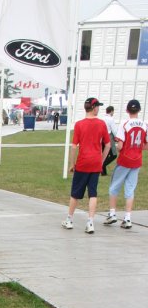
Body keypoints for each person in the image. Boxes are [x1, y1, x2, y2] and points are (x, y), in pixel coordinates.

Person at [62, 98, 109, 234]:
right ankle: (90, 222)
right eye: (97, 106)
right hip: (95, 162)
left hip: (83, 162)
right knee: (92, 193)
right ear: (93, 107)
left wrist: (72, 164)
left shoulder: (79, 125)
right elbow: (107, 145)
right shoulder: (101, 124)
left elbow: (74, 146)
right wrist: (101, 161)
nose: (98, 109)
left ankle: (70, 219)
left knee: (75, 193)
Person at [103, 99, 148, 229]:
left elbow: (121, 145)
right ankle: (128, 217)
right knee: (130, 188)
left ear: (128, 110)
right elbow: (146, 145)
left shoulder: (125, 123)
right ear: (139, 110)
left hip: (125, 159)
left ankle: (112, 213)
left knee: (114, 186)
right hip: (137, 159)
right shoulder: (144, 124)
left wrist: (118, 147)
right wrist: (137, 147)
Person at [101, 105, 118, 176]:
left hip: (101, 138)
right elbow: (114, 130)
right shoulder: (111, 119)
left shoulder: (102, 119)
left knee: (104, 154)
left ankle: (103, 172)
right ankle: (102, 165)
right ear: (111, 111)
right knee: (114, 155)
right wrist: (117, 137)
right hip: (109, 137)